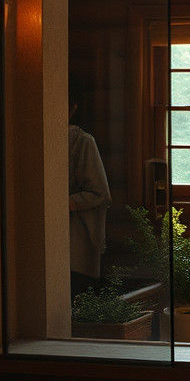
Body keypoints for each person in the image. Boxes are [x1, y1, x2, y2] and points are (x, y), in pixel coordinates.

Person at [69, 89, 111, 297]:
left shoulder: (81, 141)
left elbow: (99, 193)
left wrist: (60, 203)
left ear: (73, 107)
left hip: (77, 239)